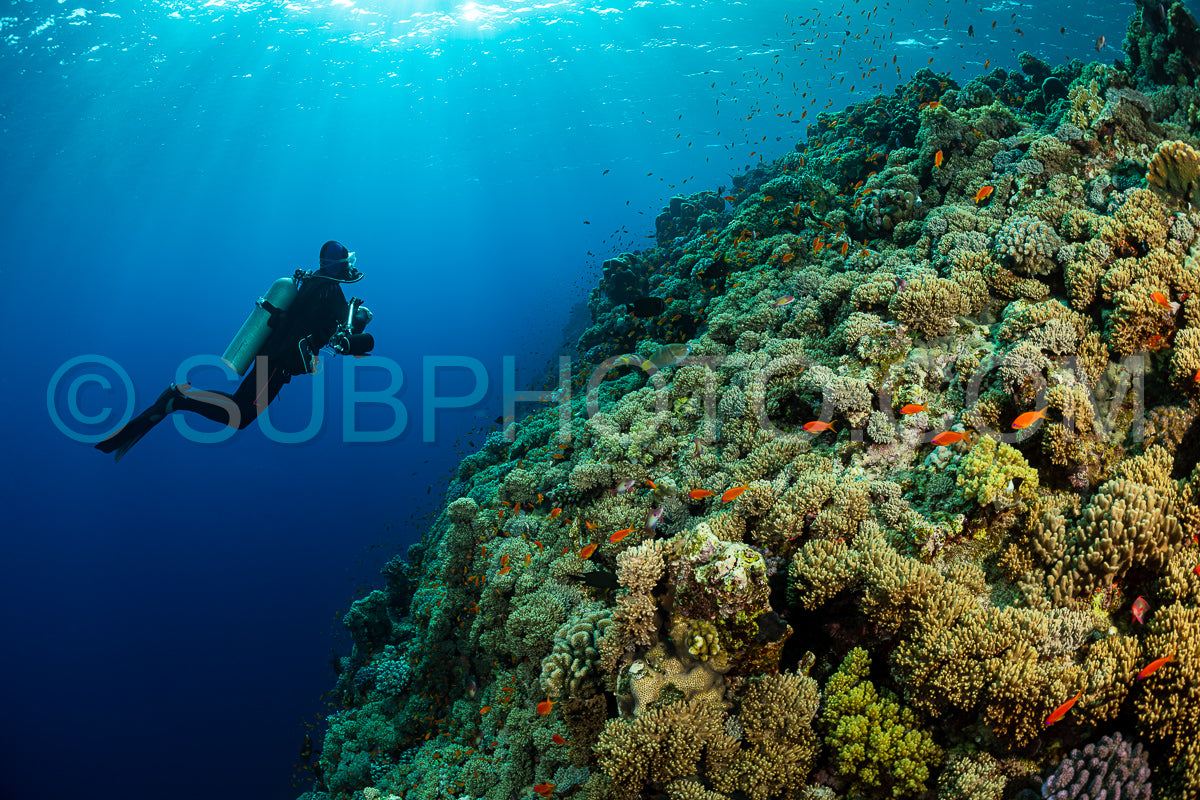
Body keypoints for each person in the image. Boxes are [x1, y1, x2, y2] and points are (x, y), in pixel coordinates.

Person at [96, 241, 374, 462]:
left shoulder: (315, 283)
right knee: (239, 416)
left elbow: (318, 325)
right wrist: (361, 323)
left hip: (272, 355)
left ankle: (179, 397)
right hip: (278, 362)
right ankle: (178, 398)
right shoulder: (330, 291)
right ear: (340, 266)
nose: (351, 266)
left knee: (239, 410)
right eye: (349, 261)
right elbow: (343, 341)